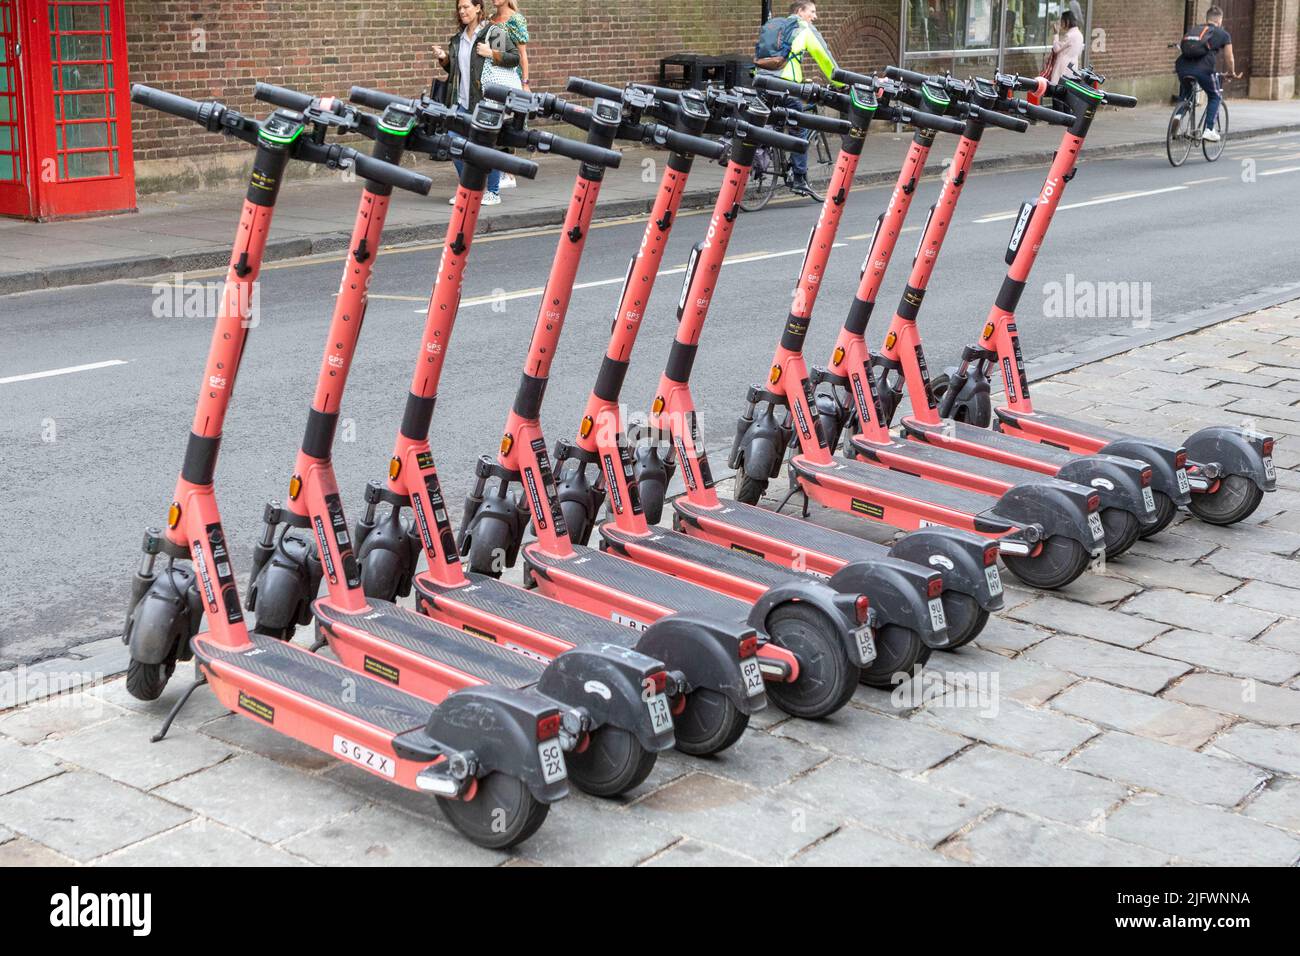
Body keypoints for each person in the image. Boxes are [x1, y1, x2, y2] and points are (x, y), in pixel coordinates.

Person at [432, 0, 520, 204]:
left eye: (466, 7)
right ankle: (471, 188)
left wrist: (492, 53)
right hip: (462, 102)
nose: (462, 11)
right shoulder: (458, 40)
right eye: (459, 8)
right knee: (453, 143)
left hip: (486, 101)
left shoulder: (492, 32)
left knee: (485, 147)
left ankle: (492, 192)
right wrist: (445, 58)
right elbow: (456, 72)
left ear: (478, 7)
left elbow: (513, 57)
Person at [757, 1, 838, 195]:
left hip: (761, 84)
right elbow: (825, 59)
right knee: (798, 129)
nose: (814, 16)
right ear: (800, 12)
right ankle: (800, 178)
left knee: (770, 125)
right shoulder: (804, 29)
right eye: (812, 11)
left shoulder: (775, 27)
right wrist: (841, 83)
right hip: (786, 88)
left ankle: (763, 159)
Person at [1175, 4, 1240, 143]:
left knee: (1186, 95)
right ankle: (1209, 130)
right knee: (1215, 96)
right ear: (1219, 21)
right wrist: (1231, 72)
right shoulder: (1223, 34)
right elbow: (1229, 57)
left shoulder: (1194, 30)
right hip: (1203, 69)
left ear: (1207, 18)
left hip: (1182, 67)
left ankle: (1178, 116)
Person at [490, 0, 530, 190]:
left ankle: (510, 174)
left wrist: (525, 83)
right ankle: (501, 170)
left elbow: (522, 54)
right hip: (495, 76)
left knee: (507, 124)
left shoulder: (516, 20)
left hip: (512, 78)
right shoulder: (491, 20)